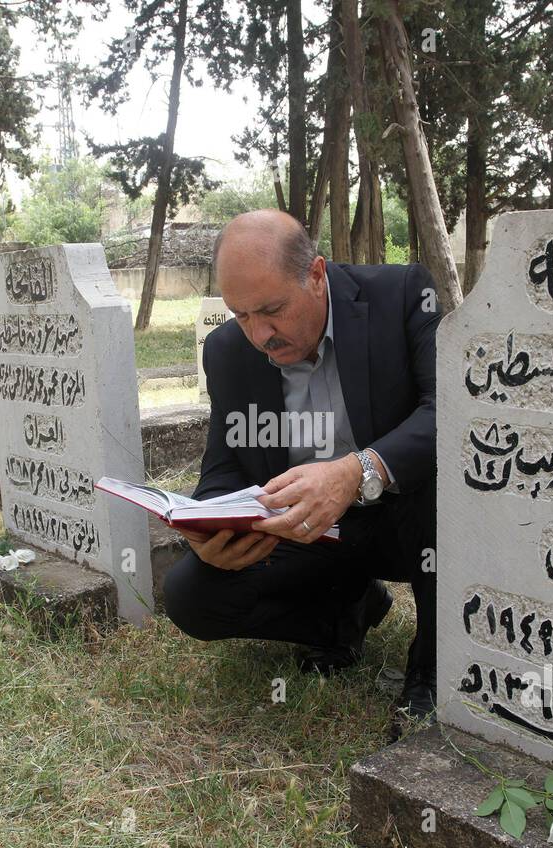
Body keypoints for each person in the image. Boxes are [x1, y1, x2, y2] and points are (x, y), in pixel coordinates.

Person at [161, 209, 439, 738]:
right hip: (307, 532)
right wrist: (210, 529)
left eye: (272, 310)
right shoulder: (227, 350)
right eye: (241, 315)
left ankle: (429, 664)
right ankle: (345, 617)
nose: (259, 334)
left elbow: (445, 408)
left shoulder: (400, 295)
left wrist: (357, 471)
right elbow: (224, 464)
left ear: (316, 274)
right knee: (191, 596)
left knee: (436, 485)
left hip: (410, 519)